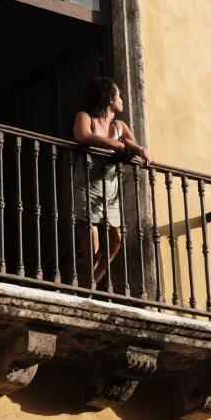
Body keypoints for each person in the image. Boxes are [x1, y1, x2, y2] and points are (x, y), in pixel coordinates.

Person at [72, 78, 151, 290]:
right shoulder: (85, 117)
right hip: (87, 186)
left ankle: (88, 283)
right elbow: (82, 135)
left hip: (110, 189)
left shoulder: (119, 126)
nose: (122, 100)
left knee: (115, 239)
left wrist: (140, 150)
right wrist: (117, 145)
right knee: (92, 245)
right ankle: (85, 288)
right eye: (119, 95)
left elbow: (132, 145)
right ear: (109, 98)